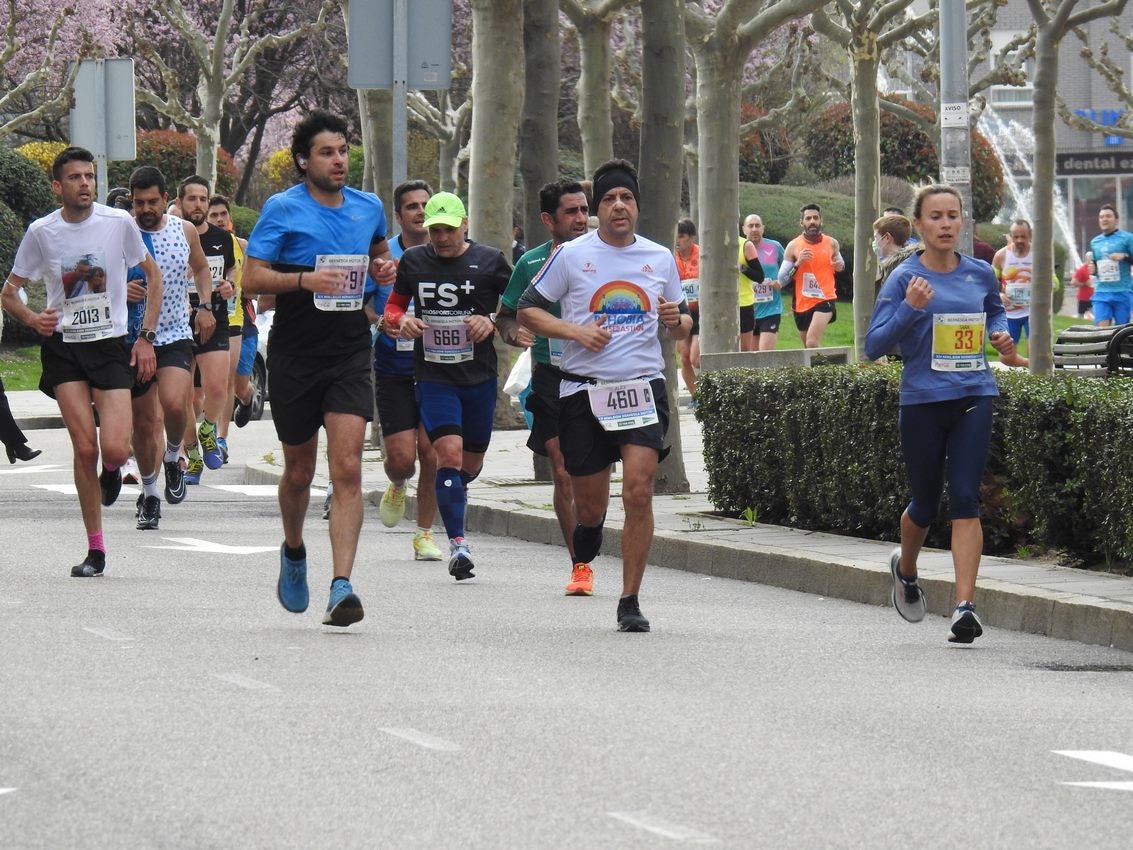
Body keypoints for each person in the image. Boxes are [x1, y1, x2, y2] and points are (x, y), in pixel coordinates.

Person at [517, 159, 692, 632]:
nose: (619, 206)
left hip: (642, 387)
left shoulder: (659, 257)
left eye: (627, 198)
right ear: (597, 210)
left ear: (637, 207)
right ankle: (590, 529)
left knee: (638, 490)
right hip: (583, 392)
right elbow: (528, 310)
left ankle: (630, 599)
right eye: (610, 199)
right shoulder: (573, 254)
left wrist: (679, 321)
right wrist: (574, 331)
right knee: (589, 504)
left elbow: (681, 322)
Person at [243, 109, 396, 627]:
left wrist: (384, 268)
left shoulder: (369, 207)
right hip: (294, 353)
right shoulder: (282, 209)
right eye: (327, 152)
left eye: (343, 150)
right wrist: (306, 281)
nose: (339, 160)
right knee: (300, 470)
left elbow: (379, 255)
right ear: (303, 159)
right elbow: (252, 277)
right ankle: (292, 549)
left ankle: (342, 584)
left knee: (348, 467)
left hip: (350, 350)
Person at [1, 146, 163, 576]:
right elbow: (8, 292)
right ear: (59, 186)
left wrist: (145, 337)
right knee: (84, 446)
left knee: (112, 447)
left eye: (89, 176)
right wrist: (34, 318)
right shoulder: (42, 231)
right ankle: (96, 549)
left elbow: (152, 275)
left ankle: (114, 469)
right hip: (66, 348)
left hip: (110, 345)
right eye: (75, 177)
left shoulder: (118, 223)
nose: (85, 183)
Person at [865, 184, 1017, 644]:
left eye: (954, 216)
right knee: (927, 504)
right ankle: (906, 568)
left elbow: (996, 313)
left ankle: (964, 606)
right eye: (936, 217)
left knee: (967, 499)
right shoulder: (902, 279)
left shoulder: (980, 274)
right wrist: (911, 309)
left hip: (975, 394)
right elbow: (873, 345)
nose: (947, 224)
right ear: (918, 225)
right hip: (923, 401)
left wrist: (1001, 336)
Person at [383, 192, 512, 581]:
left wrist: (490, 318)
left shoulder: (490, 260)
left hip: (478, 377)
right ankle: (459, 544)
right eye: (434, 229)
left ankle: (455, 492)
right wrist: (400, 321)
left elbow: (518, 306)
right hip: (434, 376)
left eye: (448, 229)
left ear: (465, 225)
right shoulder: (414, 261)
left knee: (469, 464)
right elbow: (393, 307)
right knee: (448, 454)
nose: (440, 237)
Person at [497, 179, 591, 594]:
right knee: (563, 468)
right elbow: (505, 315)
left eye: (583, 209)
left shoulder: (602, 256)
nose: (580, 218)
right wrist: (514, 332)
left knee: (593, 472)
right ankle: (580, 564)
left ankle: (592, 533)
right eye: (570, 212)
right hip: (551, 376)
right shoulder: (530, 263)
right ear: (548, 219)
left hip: (601, 373)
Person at [127, 165, 216, 530]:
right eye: (138, 203)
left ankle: (174, 454)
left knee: (177, 404)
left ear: (166, 199)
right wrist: (122, 288)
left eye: (152, 202)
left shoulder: (185, 231)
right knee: (146, 422)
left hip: (176, 332)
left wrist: (206, 306)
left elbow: (201, 270)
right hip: (133, 339)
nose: (145, 209)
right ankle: (150, 495)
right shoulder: (122, 231)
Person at [365, 179, 443, 562]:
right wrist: (382, 322)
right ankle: (397, 481)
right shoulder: (383, 257)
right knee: (403, 459)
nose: (420, 212)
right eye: (411, 206)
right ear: (398, 216)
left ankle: (424, 534)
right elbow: (362, 302)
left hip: (438, 368)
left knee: (431, 452)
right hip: (393, 364)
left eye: (425, 205)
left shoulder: (444, 253)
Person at [178, 176, 234, 482]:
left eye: (203, 199)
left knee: (216, 387)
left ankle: (209, 429)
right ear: (180, 202)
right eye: (192, 199)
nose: (198, 205)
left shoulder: (221, 238)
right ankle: (193, 455)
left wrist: (230, 285)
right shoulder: (172, 235)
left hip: (215, 318)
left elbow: (233, 274)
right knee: (184, 396)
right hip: (178, 321)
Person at [206, 194, 254, 455]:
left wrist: (240, 287)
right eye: (214, 215)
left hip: (238, 320)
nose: (219, 219)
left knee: (233, 382)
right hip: (205, 318)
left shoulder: (242, 246)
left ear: (230, 219)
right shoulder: (198, 243)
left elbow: (254, 281)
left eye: (223, 214)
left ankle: (222, 435)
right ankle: (213, 433)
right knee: (209, 385)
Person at [779, 203, 845, 348]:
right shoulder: (793, 246)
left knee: (812, 342)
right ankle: (823, 370)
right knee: (808, 348)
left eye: (815, 218)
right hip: (801, 303)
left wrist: (839, 266)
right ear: (801, 222)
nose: (812, 221)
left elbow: (841, 264)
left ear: (821, 220)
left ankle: (828, 370)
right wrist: (797, 264)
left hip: (825, 299)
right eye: (808, 218)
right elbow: (782, 280)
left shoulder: (832, 243)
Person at [1087, 204, 1133, 327]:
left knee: (1121, 332)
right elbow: (1096, 266)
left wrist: (1124, 256)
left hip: (1122, 291)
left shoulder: (1128, 238)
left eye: (1108, 216)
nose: (1104, 219)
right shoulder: (1095, 242)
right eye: (1101, 217)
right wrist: (1093, 269)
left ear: (1116, 220)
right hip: (1102, 291)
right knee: (1101, 330)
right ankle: (1103, 347)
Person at [741, 214, 781, 351]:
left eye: (757, 225)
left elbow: (789, 267)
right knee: (751, 359)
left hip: (771, 309)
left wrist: (781, 282)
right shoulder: (740, 248)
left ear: (763, 228)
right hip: (749, 309)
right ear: (743, 230)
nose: (754, 229)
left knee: (765, 354)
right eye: (750, 226)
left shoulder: (775, 246)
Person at [992, 220, 1034, 344]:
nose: (1020, 240)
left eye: (1023, 236)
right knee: (1006, 356)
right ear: (1010, 236)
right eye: (1016, 237)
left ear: (1030, 235)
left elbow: (1054, 283)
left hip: (1033, 312)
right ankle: (1028, 364)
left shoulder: (1039, 254)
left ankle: (1033, 363)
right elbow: (990, 284)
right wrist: (999, 295)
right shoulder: (1001, 255)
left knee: (1035, 348)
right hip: (1009, 313)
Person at [673, 218, 700, 395]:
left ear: (692, 238)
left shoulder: (702, 255)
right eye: (676, 236)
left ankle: (712, 391)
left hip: (702, 313)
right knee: (684, 358)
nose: (677, 240)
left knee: (696, 359)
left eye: (681, 236)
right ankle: (697, 397)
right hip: (682, 312)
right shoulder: (670, 259)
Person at [873, 212, 917, 294]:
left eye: (876, 237)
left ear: (887, 237)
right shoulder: (912, 263)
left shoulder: (895, 271)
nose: (874, 242)